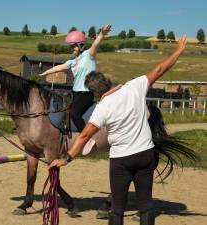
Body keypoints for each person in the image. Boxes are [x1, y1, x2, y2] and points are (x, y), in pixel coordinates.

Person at [49, 36, 188, 225]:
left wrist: (67, 158)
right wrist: (178, 51)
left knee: (117, 209)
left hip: (121, 161)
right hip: (145, 155)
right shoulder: (134, 87)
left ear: (94, 92)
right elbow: (159, 69)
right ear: (107, 80)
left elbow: (85, 135)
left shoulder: (102, 107)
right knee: (146, 206)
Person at [40, 25, 112, 135]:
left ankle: (86, 138)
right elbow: (59, 67)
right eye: (71, 46)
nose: (71, 48)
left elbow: (96, 44)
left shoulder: (89, 55)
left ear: (81, 45)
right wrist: (46, 72)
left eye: (74, 46)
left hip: (86, 94)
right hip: (75, 93)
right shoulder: (72, 61)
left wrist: (102, 33)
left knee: (74, 113)